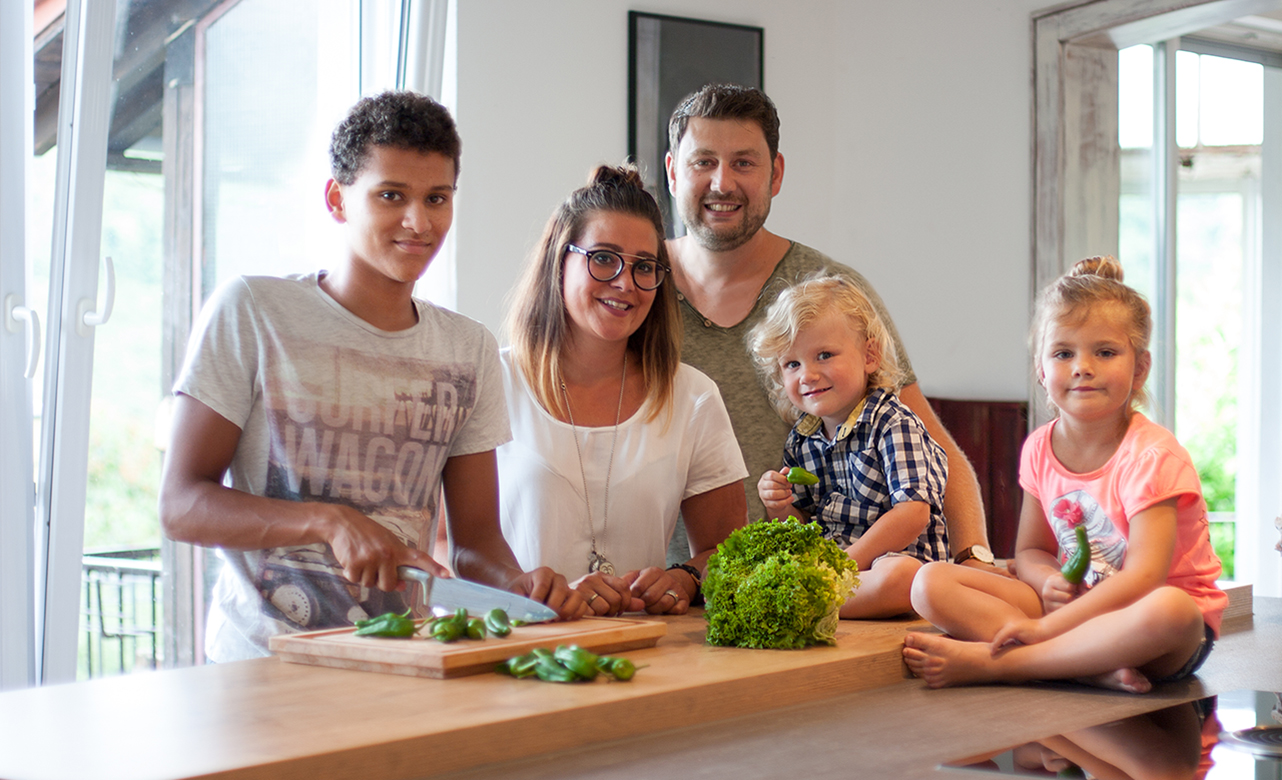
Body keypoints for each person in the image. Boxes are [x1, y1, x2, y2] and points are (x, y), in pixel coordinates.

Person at [159, 91, 583, 663]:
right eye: (391, 196)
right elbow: (181, 505)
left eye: (437, 198)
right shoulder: (253, 311)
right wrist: (330, 521)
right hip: (261, 664)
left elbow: (477, 543)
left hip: (398, 661)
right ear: (337, 200)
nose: (420, 221)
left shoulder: (468, 349)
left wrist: (517, 585)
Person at [663, 83, 1001, 573]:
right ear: (674, 172)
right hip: (661, 586)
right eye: (703, 161)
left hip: (820, 587)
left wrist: (975, 558)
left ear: (775, 174)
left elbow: (931, 445)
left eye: (744, 162)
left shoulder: (829, 292)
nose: (722, 183)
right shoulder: (635, 288)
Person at [902, 256, 1227, 692]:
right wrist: (1048, 580)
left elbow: (1143, 579)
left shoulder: (1153, 456)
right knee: (929, 582)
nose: (1082, 367)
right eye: (1063, 353)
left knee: (1171, 608)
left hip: (1154, 627)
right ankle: (1086, 666)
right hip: (1078, 609)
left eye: (1106, 352)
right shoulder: (1039, 447)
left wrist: (1043, 629)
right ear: (1041, 370)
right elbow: (1032, 550)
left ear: (1140, 368)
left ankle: (1007, 664)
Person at [497, 164, 748, 616]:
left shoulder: (693, 396)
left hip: (642, 652)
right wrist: (543, 596)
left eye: (644, 267)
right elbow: (452, 552)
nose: (625, 283)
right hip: (517, 651)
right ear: (560, 260)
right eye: (603, 258)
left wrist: (685, 578)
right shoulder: (492, 382)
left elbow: (728, 552)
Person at [749, 275, 948, 618]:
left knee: (902, 578)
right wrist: (779, 507)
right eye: (792, 364)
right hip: (834, 571)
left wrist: (845, 564)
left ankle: (806, 606)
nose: (807, 375)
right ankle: (817, 601)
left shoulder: (893, 423)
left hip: (895, 563)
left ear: (870, 356)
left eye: (824, 355)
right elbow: (803, 527)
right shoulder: (802, 438)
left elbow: (913, 513)